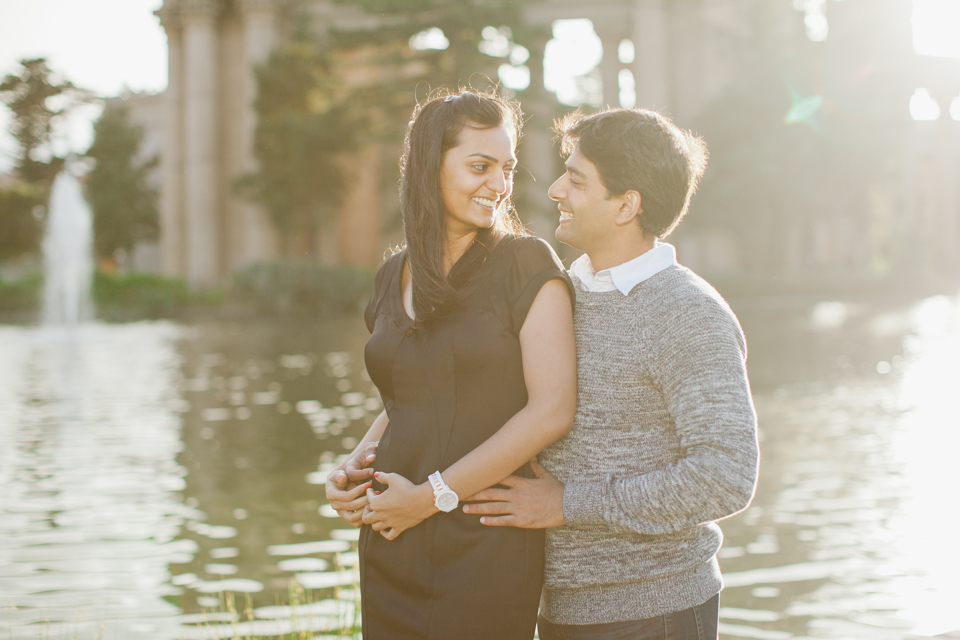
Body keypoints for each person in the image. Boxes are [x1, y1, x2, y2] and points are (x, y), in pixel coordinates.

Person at [463, 108, 761, 640]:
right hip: (554, 609)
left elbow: (726, 476)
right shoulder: (557, 296)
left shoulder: (686, 312)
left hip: (655, 613)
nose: (554, 189)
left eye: (576, 180)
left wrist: (567, 504)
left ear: (627, 205)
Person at [324, 89, 577, 640]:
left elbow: (552, 411)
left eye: (506, 168)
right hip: (392, 535)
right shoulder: (393, 274)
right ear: (427, 167)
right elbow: (404, 396)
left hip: (482, 539)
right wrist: (353, 467)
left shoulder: (526, 263)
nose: (499, 184)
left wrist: (432, 495)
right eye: (479, 166)